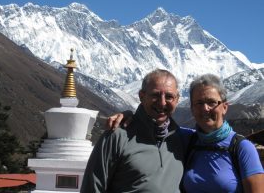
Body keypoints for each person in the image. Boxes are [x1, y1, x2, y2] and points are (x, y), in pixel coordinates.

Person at [107, 73, 264, 193]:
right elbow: (156, 125)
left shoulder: (242, 148)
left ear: (224, 107)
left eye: (211, 102)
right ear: (192, 109)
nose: (205, 108)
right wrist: (130, 116)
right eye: (199, 103)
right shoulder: (186, 139)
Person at [81, 69, 193, 193]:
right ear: (142, 96)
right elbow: (92, 187)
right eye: (155, 95)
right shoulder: (117, 136)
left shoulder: (182, 139)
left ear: (177, 99)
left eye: (169, 97)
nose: (162, 102)